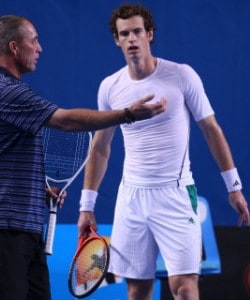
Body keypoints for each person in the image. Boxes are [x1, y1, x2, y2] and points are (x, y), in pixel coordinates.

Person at [0, 15, 167, 300]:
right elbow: (66, 121)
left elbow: (1, 157)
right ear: (14, 47)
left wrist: (38, 191)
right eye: (34, 41)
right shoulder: (4, 91)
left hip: (20, 229)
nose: (40, 48)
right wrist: (127, 114)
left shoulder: (6, 90)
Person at [77, 3, 250, 300]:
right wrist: (86, 205)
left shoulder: (182, 76)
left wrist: (234, 187)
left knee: (183, 287)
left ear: (149, 34)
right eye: (124, 34)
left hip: (177, 195)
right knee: (137, 289)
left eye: (137, 32)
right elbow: (101, 147)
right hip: (131, 198)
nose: (132, 39)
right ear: (117, 40)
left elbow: (211, 129)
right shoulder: (109, 87)